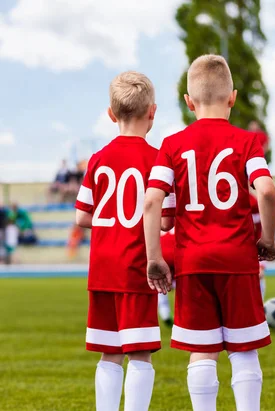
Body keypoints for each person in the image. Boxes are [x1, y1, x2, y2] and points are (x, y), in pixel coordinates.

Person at [143, 54, 275, 411]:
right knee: (243, 350)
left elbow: (151, 202)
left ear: (189, 102)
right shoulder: (248, 141)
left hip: (193, 260)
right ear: (232, 97)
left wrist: (155, 257)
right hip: (238, 258)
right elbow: (265, 190)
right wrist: (267, 239)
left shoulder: (171, 145)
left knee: (202, 352)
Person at [74, 71, 171, 411]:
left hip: (102, 267)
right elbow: (168, 216)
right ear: (153, 112)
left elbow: (82, 216)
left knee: (109, 351)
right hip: (135, 266)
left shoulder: (98, 159)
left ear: (111, 114)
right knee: (139, 351)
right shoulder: (159, 158)